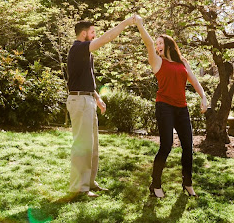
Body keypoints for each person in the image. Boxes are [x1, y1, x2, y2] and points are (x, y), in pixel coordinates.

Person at [135, 15, 208, 198]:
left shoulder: (182, 62)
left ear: (168, 44)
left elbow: (193, 79)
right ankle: (155, 184)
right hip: (164, 106)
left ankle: (188, 183)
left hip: (181, 108)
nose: (157, 45)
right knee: (166, 146)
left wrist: (204, 97)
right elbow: (148, 44)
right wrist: (140, 25)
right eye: (156, 43)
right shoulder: (157, 62)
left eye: (161, 42)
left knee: (188, 147)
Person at [66, 16, 135, 199]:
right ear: (84, 33)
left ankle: (89, 182)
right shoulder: (78, 48)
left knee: (93, 146)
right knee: (82, 146)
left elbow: (85, 78)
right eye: (92, 32)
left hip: (87, 99)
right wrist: (125, 23)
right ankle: (78, 188)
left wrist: (96, 97)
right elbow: (106, 39)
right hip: (79, 101)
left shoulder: (85, 53)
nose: (95, 35)